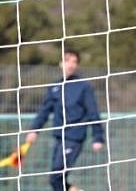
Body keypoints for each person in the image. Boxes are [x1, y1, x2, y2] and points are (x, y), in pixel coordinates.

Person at [26, 50, 104, 191]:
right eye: (68, 60)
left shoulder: (83, 87)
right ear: (61, 63)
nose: (71, 64)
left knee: (56, 176)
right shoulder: (55, 87)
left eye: (74, 61)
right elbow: (44, 111)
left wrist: (98, 137)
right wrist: (34, 130)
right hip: (59, 138)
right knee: (56, 180)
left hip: (74, 138)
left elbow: (93, 112)